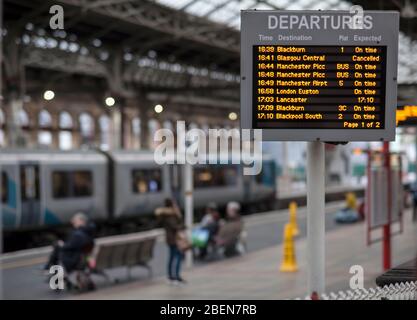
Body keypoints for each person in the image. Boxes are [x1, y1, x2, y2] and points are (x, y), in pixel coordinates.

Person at [155, 198, 186, 284]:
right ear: (172, 205)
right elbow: (176, 226)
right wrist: (179, 217)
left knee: (172, 257)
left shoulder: (166, 214)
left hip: (171, 239)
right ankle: (175, 276)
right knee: (177, 256)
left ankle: (172, 276)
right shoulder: (170, 216)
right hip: (174, 239)